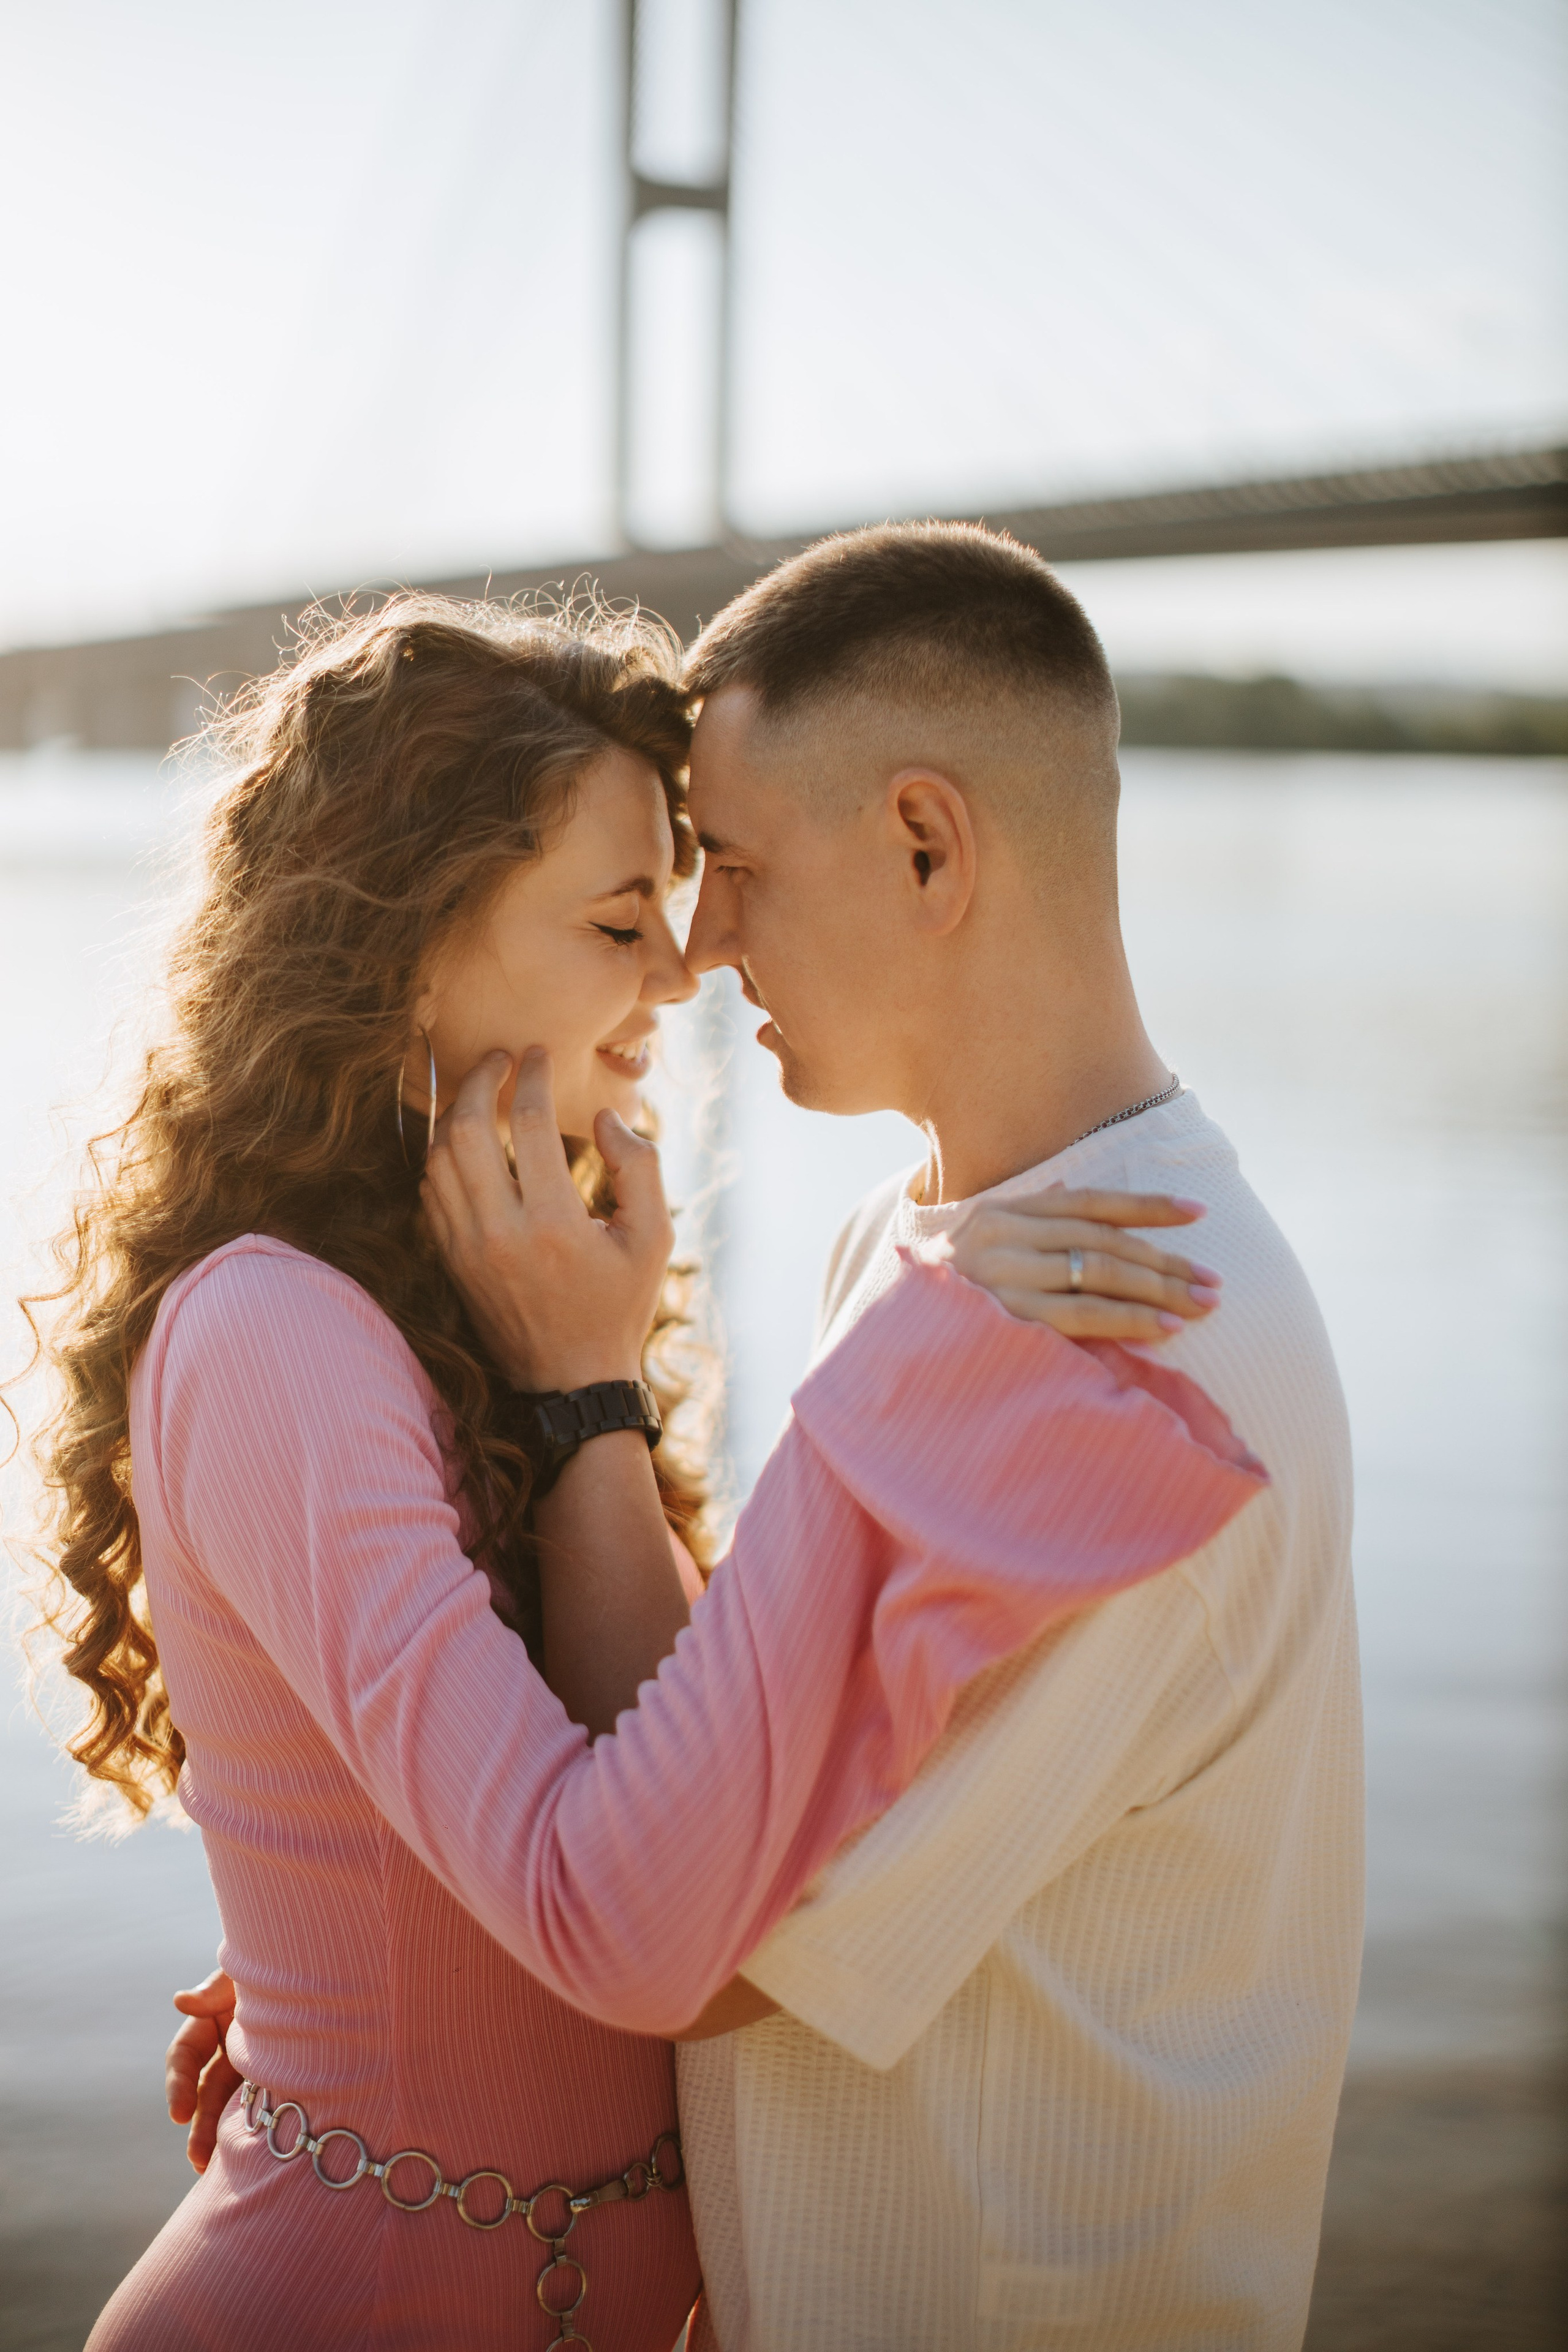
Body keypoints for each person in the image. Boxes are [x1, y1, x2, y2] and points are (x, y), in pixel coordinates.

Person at [26, 591, 1257, 2352]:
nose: (683, 976)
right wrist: (905, 1379)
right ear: (397, 945)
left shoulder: (506, 1305)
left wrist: (583, 1385)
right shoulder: (272, 1333)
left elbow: (690, 1785)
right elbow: (626, 1919)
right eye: (620, 920)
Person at [400, 523, 1360, 2350]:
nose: (693, 952)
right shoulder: (935, 1246)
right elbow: (732, 1717)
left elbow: (704, 1925)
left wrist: (584, 1393)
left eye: (739, 866)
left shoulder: (1123, 1336)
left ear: (928, 841)